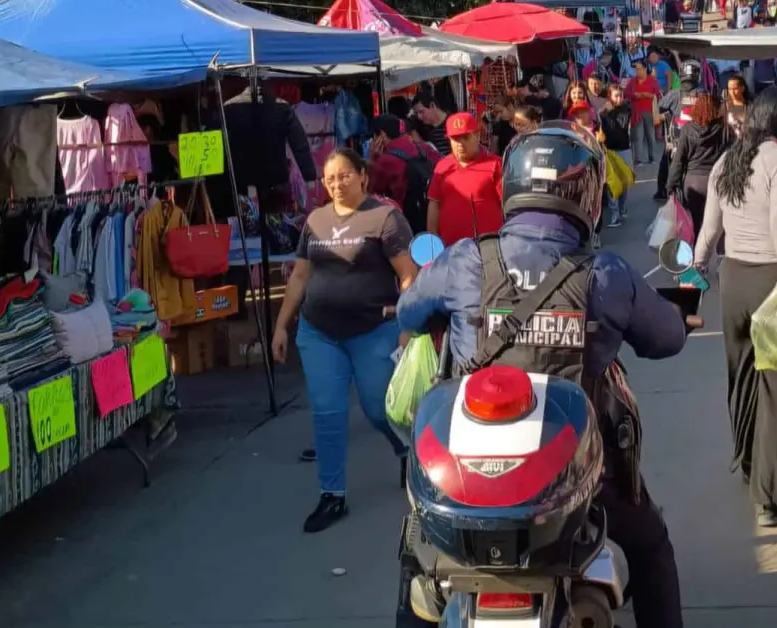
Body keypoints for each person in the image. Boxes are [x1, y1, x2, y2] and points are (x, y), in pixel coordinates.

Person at [396, 123, 690, 628]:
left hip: (467, 488)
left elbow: (408, 313)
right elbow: (668, 339)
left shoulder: (467, 259)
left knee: (416, 553)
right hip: (575, 482)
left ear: (511, 186)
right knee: (650, 546)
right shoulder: (607, 275)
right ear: (589, 196)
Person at [272, 148, 418, 534]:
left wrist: (408, 321)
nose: (337, 184)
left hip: (374, 329)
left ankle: (404, 448)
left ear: (362, 176)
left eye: (345, 176)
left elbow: (407, 274)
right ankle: (332, 495)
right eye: (330, 178)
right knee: (328, 412)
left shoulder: (385, 218)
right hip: (319, 332)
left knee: (378, 407)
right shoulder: (315, 221)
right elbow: (301, 276)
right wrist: (281, 326)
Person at [693, 88, 777, 527]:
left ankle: (746, 460)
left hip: (733, 278)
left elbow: (708, 229)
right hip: (772, 279)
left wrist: (695, 274)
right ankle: (770, 495)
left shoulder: (729, 160)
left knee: (742, 375)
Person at [426, 113, 504, 246]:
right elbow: (434, 205)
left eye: (466, 138)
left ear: (477, 135)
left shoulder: (496, 164)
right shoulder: (442, 166)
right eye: (455, 139)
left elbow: (506, 206)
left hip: (488, 250)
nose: (460, 144)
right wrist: (432, 243)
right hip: (450, 250)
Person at [668, 91, 729, 237]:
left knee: (695, 223)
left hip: (693, 181)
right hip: (716, 180)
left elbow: (679, 160)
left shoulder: (688, 129)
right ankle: (717, 254)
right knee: (717, 224)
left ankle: (697, 254)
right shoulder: (723, 129)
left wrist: (671, 185)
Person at [655, 59, 706, 202]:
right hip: (696, 139)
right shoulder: (703, 94)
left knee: (667, 162)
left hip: (677, 140)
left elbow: (659, 108)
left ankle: (662, 190)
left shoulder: (674, 94)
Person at [600, 84, 634, 227]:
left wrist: (610, 111)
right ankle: (615, 215)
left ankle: (622, 207)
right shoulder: (603, 113)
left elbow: (621, 124)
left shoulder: (626, 109)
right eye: (616, 95)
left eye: (621, 95)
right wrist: (603, 111)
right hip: (610, 150)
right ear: (609, 97)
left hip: (624, 149)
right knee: (612, 183)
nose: (619, 98)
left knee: (624, 181)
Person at [626, 60, 661, 166]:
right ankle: (638, 159)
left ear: (645, 69)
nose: (637, 71)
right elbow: (626, 93)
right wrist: (635, 95)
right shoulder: (633, 81)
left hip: (649, 112)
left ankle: (652, 157)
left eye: (639, 69)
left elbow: (658, 95)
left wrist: (649, 95)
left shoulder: (652, 81)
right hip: (637, 112)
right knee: (638, 136)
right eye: (636, 69)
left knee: (651, 135)